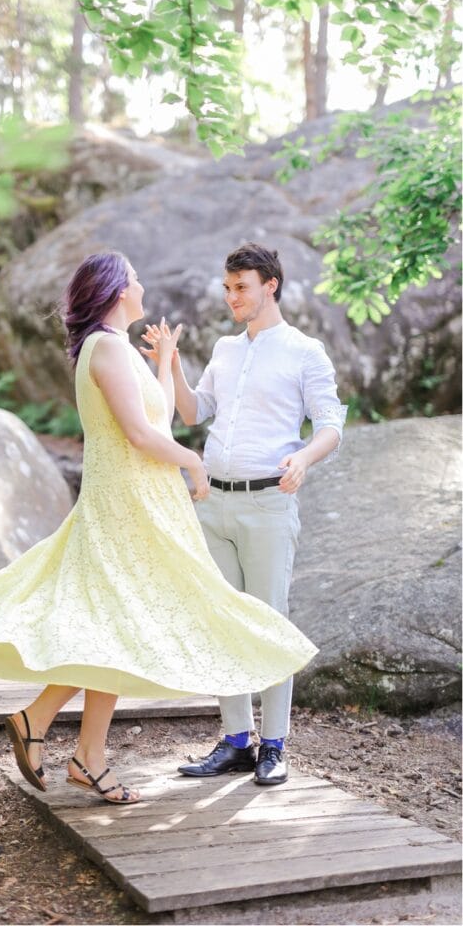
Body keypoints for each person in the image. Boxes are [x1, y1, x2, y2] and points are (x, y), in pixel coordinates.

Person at [0, 251, 317, 805]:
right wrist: (194, 462)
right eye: (135, 278)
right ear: (117, 291)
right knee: (111, 625)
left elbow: (157, 414)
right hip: (123, 505)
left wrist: (166, 360)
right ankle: (42, 721)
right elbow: (141, 435)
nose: (142, 284)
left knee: (115, 626)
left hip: (141, 502)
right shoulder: (106, 348)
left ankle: (86, 754)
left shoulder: (118, 349)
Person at [141, 243, 346, 786]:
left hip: (267, 504)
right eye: (228, 288)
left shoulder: (306, 351)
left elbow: (331, 424)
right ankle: (235, 741)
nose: (232, 297)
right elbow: (192, 412)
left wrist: (303, 456)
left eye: (242, 288)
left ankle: (274, 745)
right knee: (219, 620)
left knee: (269, 623)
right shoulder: (226, 350)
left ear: (270, 286)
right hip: (213, 503)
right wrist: (171, 362)